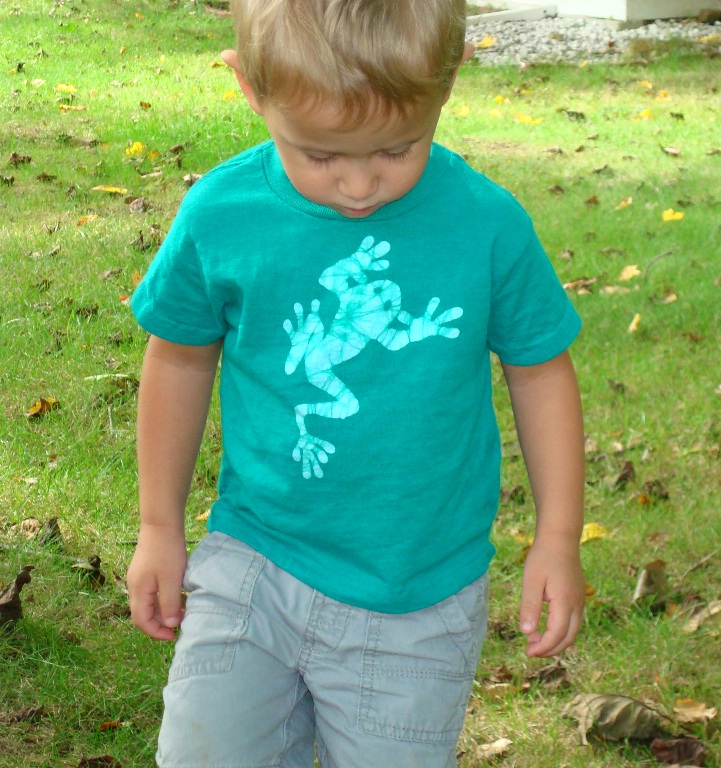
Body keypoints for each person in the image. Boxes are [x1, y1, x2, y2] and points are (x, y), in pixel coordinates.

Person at [125, 0, 585, 765]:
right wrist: (159, 525)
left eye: (398, 148)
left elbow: (540, 373)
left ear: (449, 79)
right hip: (255, 559)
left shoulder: (487, 225)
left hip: (417, 595)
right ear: (248, 87)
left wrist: (559, 536)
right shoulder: (222, 216)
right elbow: (178, 359)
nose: (360, 185)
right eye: (319, 155)